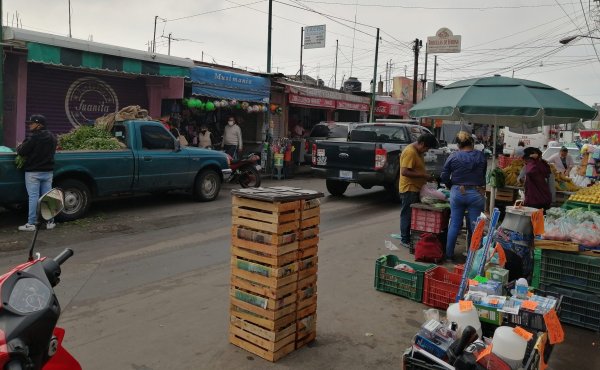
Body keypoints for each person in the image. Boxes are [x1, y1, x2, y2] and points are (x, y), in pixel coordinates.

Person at [440, 131, 487, 261]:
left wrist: (451, 186)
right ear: (472, 143)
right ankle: (474, 257)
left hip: (457, 192)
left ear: (458, 145)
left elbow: (444, 176)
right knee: (475, 227)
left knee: (454, 224)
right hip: (476, 193)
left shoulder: (453, 157)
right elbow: (483, 175)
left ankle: (449, 255)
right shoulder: (481, 156)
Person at [16, 114, 57, 231]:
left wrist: (19, 146)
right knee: (48, 197)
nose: (30, 125)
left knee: (33, 197)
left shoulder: (33, 137)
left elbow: (22, 151)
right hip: (48, 172)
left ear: (39, 125)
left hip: (33, 172)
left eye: (32, 123)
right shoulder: (52, 137)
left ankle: (31, 223)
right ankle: (50, 222)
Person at [398, 133, 439, 248]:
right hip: (409, 189)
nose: (426, 151)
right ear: (421, 144)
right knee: (407, 214)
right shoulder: (410, 152)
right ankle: (404, 239)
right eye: (427, 148)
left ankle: (408, 237)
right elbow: (404, 172)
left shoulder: (418, 151)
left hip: (416, 188)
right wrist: (423, 175)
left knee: (412, 216)